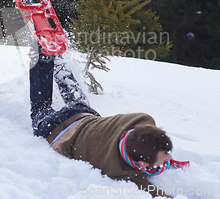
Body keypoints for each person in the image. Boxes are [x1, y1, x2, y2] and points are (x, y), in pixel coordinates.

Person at [29, 47, 189, 198]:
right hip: (55, 130)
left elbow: (149, 135)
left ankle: (50, 54)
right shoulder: (118, 169)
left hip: (81, 114)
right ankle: (41, 56)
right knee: (40, 106)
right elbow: (152, 192)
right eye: (166, 156)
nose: (168, 158)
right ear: (141, 164)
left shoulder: (141, 119)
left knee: (77, 97)